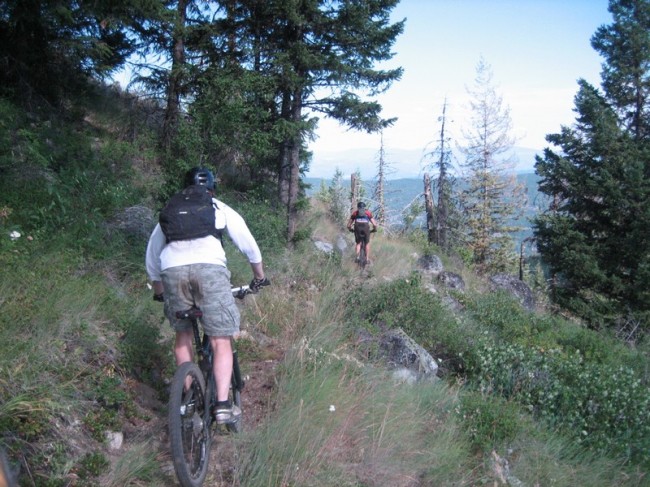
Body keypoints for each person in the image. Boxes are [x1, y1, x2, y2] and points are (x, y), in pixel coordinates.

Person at [146, 167, 268, 424]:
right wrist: (259, 277)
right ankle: (223, 405)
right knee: (220, 340)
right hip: (210, 270)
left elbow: (152, 256)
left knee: (183, 335)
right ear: (212, 188)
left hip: (172, 271)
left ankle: (188, 398)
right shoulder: (218, 207)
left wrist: (159, 292)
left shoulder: (173, 207)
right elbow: (249, 245)